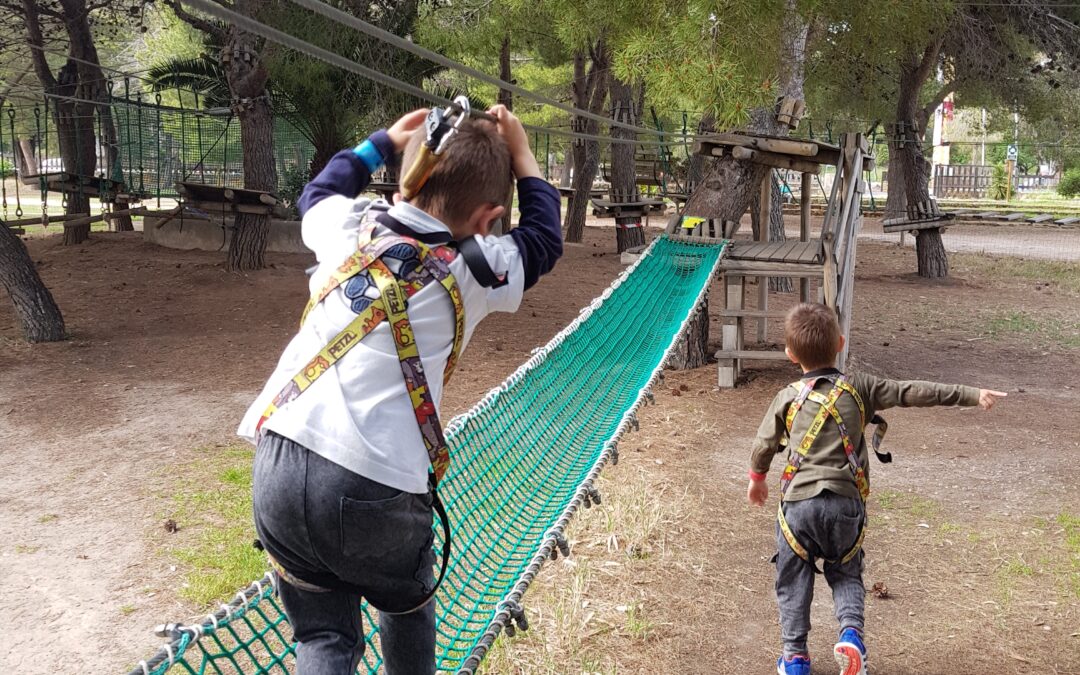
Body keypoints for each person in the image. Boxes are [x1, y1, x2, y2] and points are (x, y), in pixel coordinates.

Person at [236, 105, 562, 674]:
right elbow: (543, 240)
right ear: (489, 218)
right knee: (405, 608)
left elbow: (319, 191)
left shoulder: (348, 225)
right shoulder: (478, 268)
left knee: (321, 637)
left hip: (280, 460)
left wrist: (381, 143)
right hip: (377, 483)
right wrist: (525, 155)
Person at [746, 303, 1006, 675]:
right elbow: (911, 391)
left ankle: (795, 657)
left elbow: (763, 445)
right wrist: (969, 393)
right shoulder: (861, 387)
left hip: (798, 509)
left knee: (792, 578)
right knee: (846, 572)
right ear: (840, 343)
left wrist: (757, 481)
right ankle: (851, 637)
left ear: (790, 355)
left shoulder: (787, 396)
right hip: (846, 507)